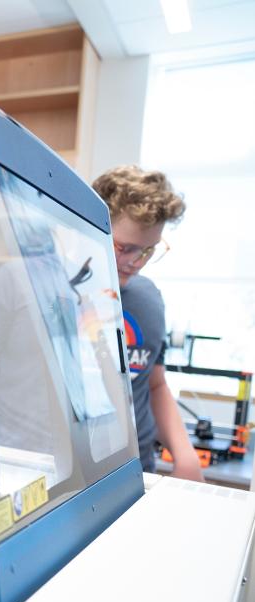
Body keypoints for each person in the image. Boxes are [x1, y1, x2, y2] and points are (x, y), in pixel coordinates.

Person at [91, 165, 204, 482]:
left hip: (138, 470)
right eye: (124, 248)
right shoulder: (53, 294)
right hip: (75, 477)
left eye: (148, 250)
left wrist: (185, 456)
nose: (137, 262)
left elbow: (154, 384)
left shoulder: (149, 299)